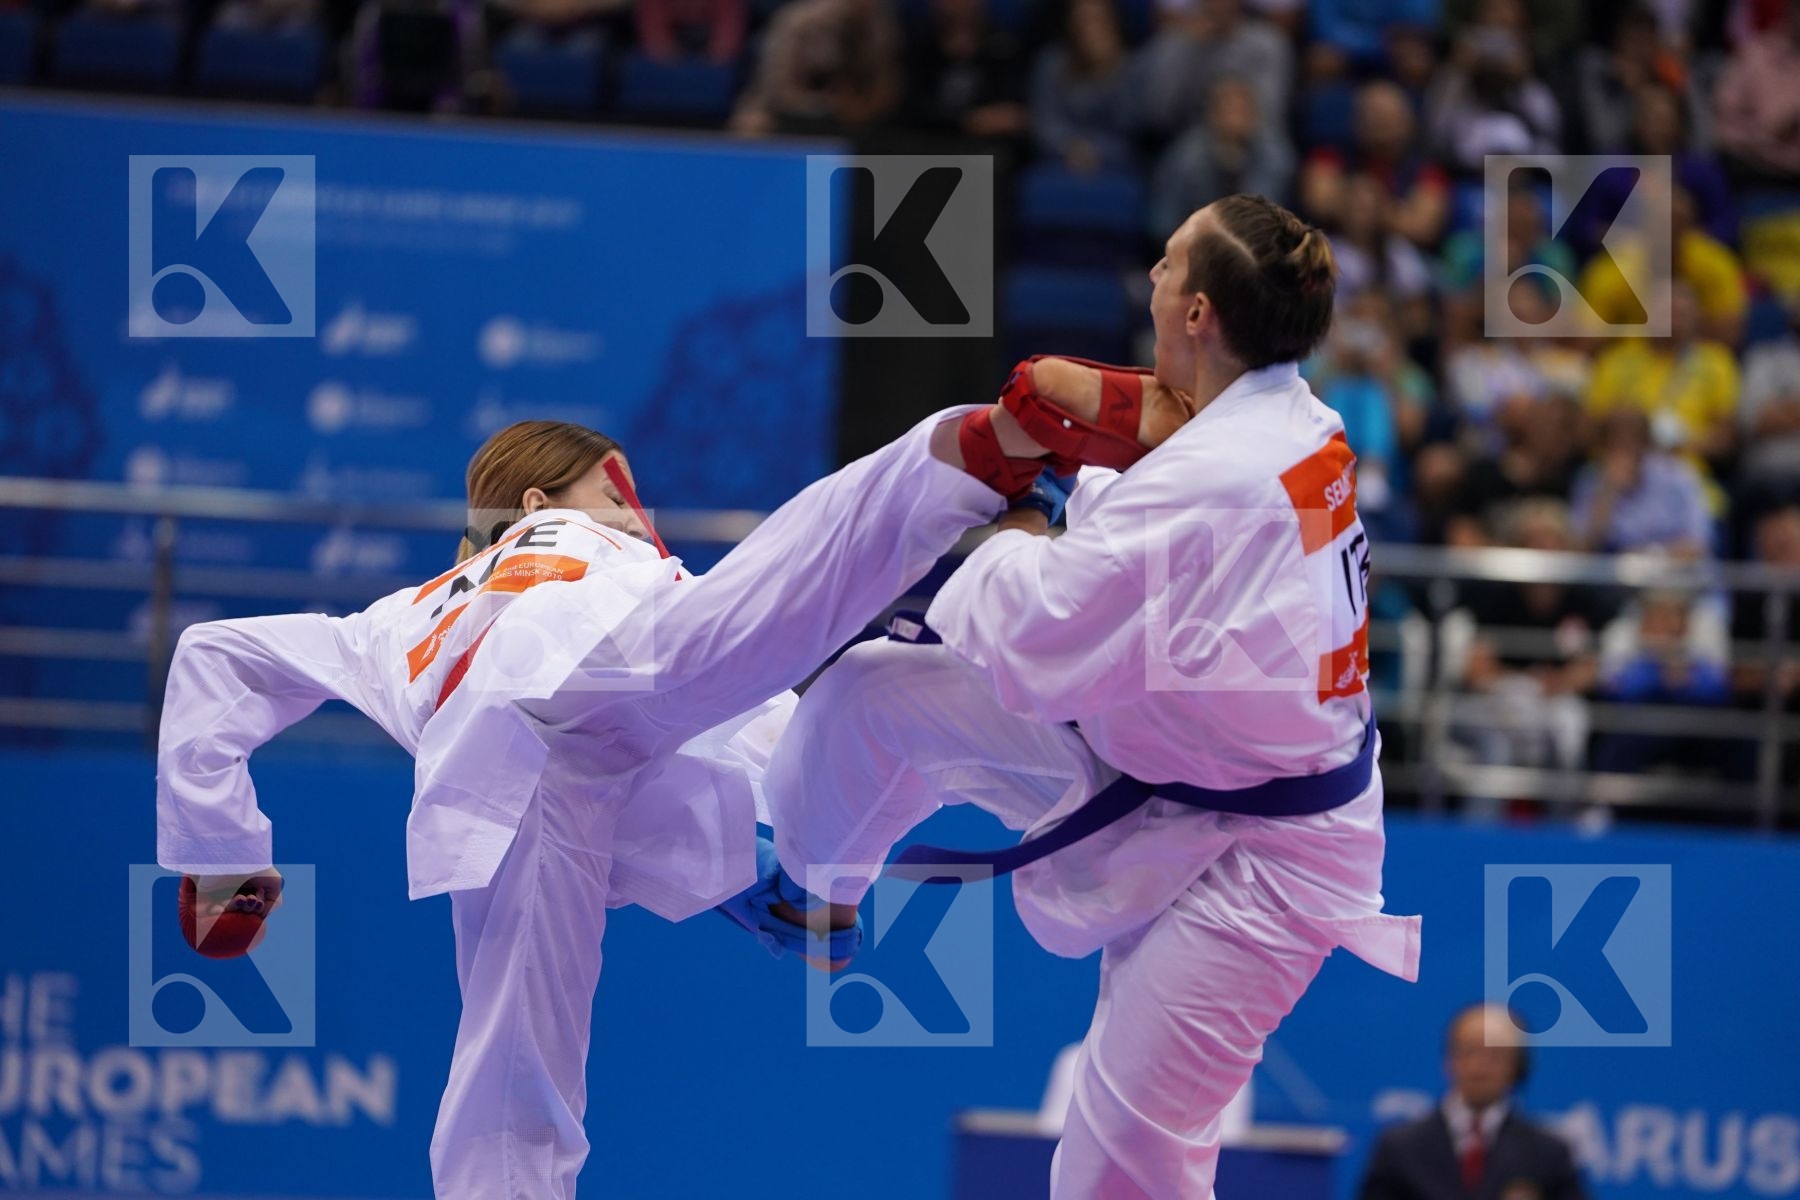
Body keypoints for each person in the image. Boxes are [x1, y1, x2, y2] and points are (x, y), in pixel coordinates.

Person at [157, 385, 1191, 1197]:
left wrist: (220, 862)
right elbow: (767, 702)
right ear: (536, 503)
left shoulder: (400, 618)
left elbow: (215, 656)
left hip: (510, 774)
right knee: (798, 619)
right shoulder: (601, 556)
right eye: (617, 493)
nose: (640, 518)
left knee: (513, 1085)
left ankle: (803, 865)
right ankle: (957, 458)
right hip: (613, 689)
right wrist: (791, 860)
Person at [762, 194, 1422, 1199]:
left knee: (1121, 1160)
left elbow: (1032, 638)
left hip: (1266, 863)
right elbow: (1161, 464)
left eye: (1165, 265)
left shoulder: (1221, 472)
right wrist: (1082, 417)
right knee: (873, 695)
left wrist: (1019, 519)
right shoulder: (1291, 416)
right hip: (1162, 767)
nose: (1149, 279)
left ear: (1198, 312)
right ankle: (814, 903)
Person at [1360, 1004, 1589, 1200]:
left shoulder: (1548, 1153)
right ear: (1449, 1060)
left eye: (1494, 1055)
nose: (1479, 1067)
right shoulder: (1400, 1148)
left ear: (1517, 1067)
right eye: (1469, 1051)